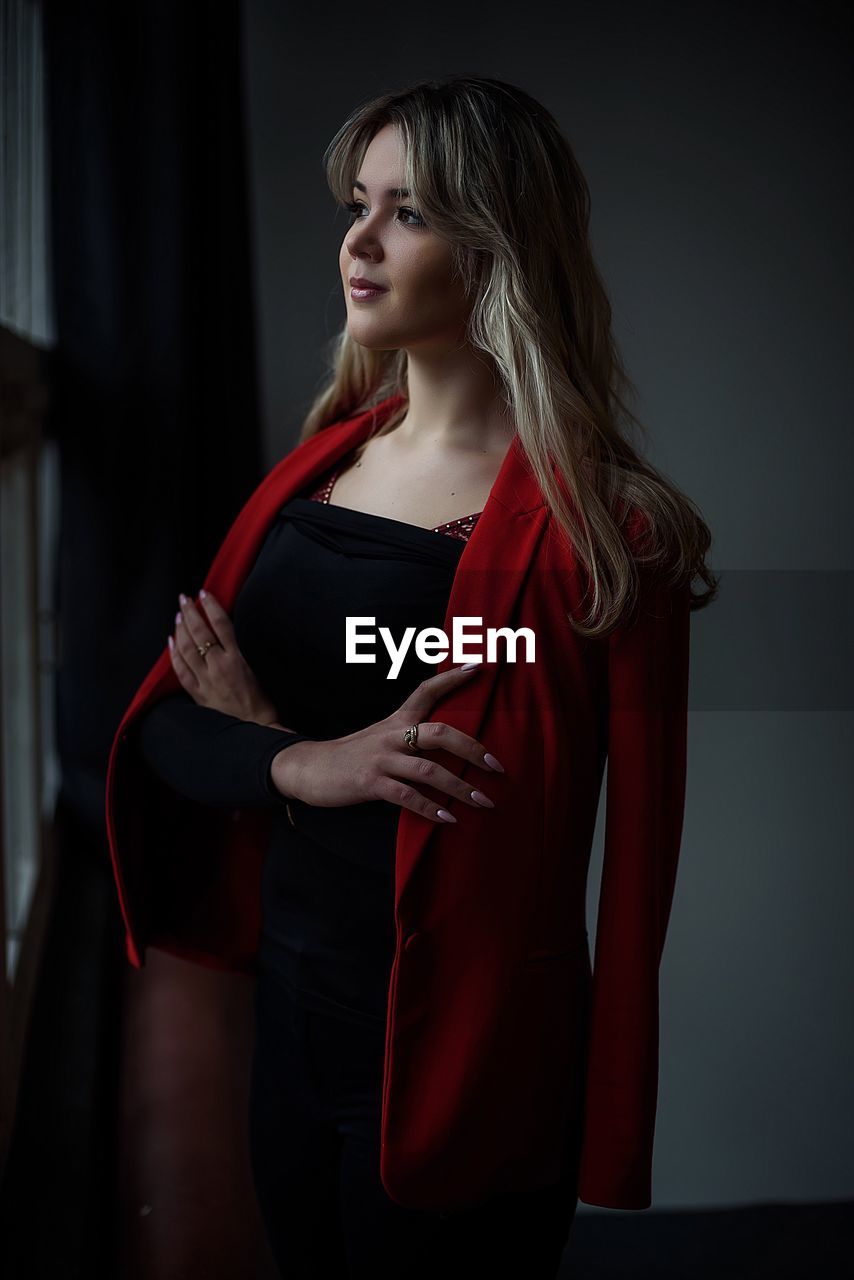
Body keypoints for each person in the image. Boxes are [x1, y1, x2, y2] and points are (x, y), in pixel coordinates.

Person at [105, 75, 717, 1280]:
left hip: (473, 1064)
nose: (358, 239)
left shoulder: (604, 538)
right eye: (356, 202)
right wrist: (300, 755)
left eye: (408, 211)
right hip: (288, 1022)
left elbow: (619, 841)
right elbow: (171, 724)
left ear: (497, 245)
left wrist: (299, 731)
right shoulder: (312, 472)